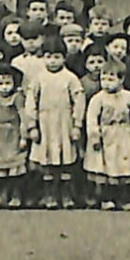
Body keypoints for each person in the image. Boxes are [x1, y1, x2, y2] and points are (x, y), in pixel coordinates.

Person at [24, 37, 87, 209]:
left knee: (66, 160)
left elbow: (79, 101)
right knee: (47, 161)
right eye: (49, 56)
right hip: (45, 124)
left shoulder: (70, 78)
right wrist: (32, 126)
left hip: (64, 124)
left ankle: (66, 196)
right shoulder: (38, 78)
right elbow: (31, 103)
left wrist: (76, 125)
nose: (52, 61)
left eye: (57, 57)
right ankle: (48, 195)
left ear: (64, 58)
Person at [85, 66, 130, 210]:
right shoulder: (97, 99)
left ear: (121, 79)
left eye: (111, 79)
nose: (106, 83)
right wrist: (94, 137)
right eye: (103, 79)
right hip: (106, 135)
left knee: (124, 166)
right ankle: (106, 198)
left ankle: (125, 199)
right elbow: (91, 119)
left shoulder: (129, 97)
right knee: (106, 166)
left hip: (124, 135)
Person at [0, 65, 29, 209]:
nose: (4, 87)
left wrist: (23, 137)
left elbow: (23, 117)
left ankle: (15, 196)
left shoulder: (17, 97)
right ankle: (1, 196)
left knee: (14, 168)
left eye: (8, 83)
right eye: (0, 84)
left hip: (12, 133)